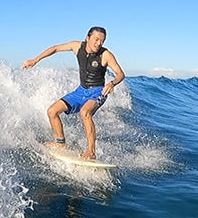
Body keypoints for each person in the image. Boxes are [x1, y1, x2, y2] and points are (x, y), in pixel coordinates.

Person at [21, 26, 126, 160]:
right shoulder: (77, 46)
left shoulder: (105, 55)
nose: (99, 43)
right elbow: (55, 48)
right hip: (80, 90)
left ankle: (91, 151)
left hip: (98, 91)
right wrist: (35, 60)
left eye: (102, 40)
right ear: (87, 38)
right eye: (96, 39)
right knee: (52, 111)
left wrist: (112, 83)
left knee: (85, 112)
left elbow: (120, 74)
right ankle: (60, 143)